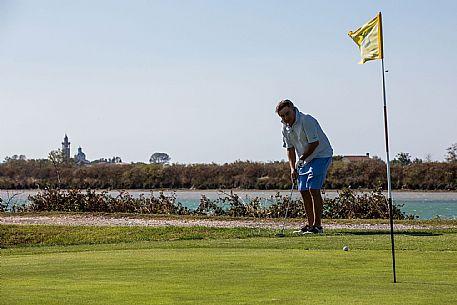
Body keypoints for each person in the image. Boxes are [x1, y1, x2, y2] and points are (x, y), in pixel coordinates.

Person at [276, 99, 333, 234]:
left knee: (313, 188)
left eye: (287, 114)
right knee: (303, 190)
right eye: (282, 116)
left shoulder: (306, 120)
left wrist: (301, 159)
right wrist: (292, 168)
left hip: (321, 154)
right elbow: (290, 149)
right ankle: (310, 225)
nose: (285, 118)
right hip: (305, 159)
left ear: (293, 109)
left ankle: (317, 226)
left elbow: (314, 143)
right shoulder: (285, 128)